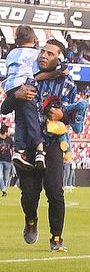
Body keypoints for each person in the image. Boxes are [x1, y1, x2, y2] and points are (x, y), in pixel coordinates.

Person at [4, 39, 79, 249]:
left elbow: (76, 115)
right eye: (42, 52)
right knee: (29, 195)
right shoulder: (26, 77)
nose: (43, 55)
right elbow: (4, 108)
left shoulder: (69, 83)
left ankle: (56, 238)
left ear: (59, 59)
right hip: (27, 145)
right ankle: (31, 220)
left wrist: (63, 115)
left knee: (55, 191)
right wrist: (16, 95)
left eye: (50, 53)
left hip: (53, 143)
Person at [4, 25, 44, 171]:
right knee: (31, 118)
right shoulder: (35, 54)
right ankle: (40, 149)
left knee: (20, 119)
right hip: (25, 87)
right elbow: (38, 72)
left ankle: (18, 150)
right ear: (34, 39)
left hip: (10, 87)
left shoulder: (11, 53)